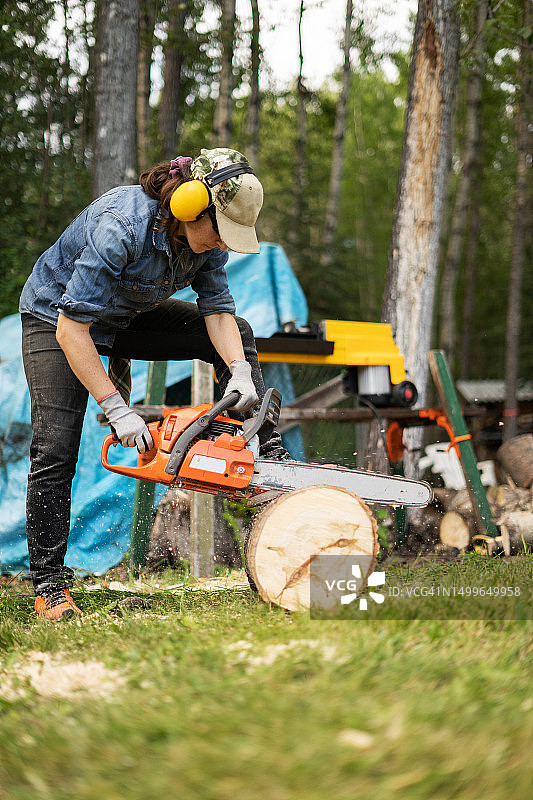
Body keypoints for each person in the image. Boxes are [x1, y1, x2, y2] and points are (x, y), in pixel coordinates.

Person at [19, 147, 288, 620]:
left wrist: (239, 370)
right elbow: (71, 330)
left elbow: (217, 311)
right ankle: (49, 585)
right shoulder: (120, 227)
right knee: (55, 448)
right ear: (189, 206)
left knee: (239, 337)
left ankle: (267, 456)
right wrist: (116, 406)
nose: (223, 244)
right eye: (220, 231)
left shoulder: (205, 244)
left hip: (124, 317)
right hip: (55, 319)